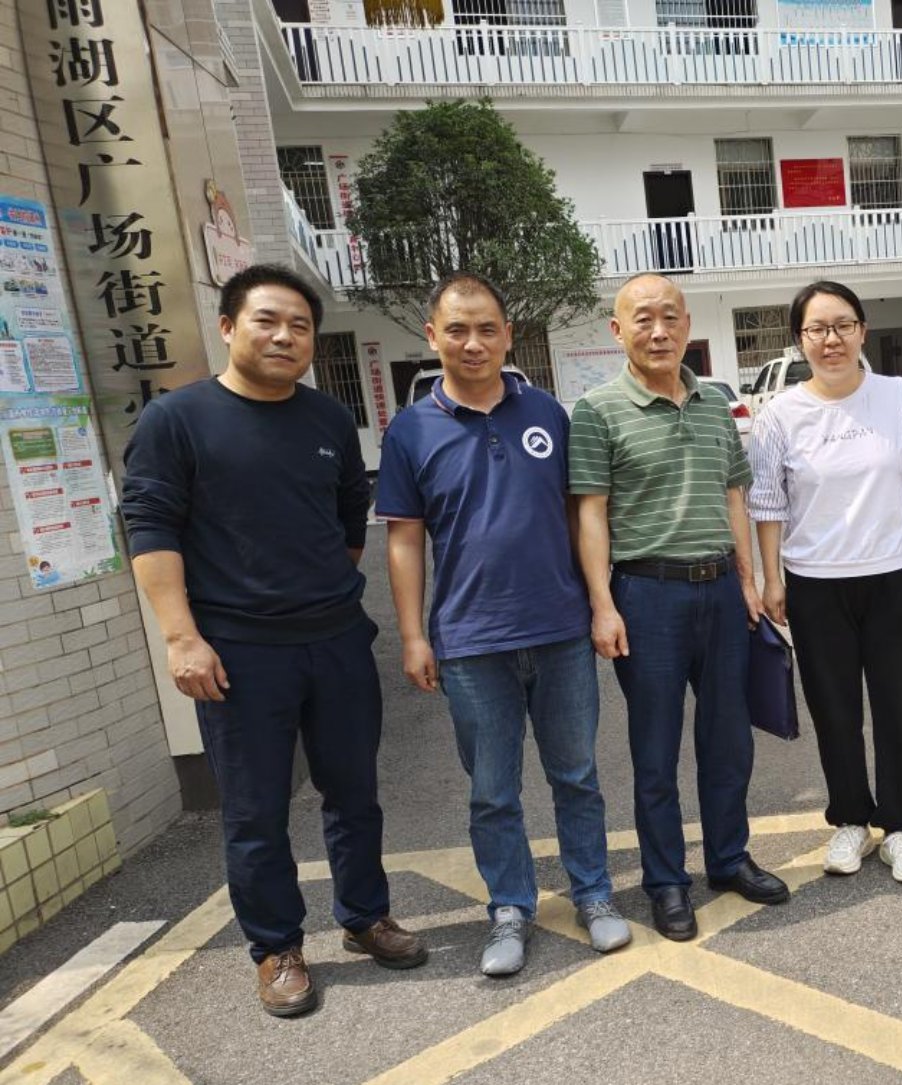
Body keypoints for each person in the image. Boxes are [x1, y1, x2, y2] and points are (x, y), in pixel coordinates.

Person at [121, 264, 424, 1018]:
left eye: (299, 325)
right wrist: (181, 637)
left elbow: (349, 520)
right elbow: (150, 528)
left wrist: (316, 591)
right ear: (228, 327)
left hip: (336, 640)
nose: (285, 335)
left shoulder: (328, 420)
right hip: (237, 652)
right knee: (255, 810)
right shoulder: (176, 420)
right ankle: (276, 947)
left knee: (354, 794)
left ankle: (365, 916)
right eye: (267, 320)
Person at [376, 272, 629, 977]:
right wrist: (413, 635)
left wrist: (600, 602)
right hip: (470, 642)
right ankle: (509, 909)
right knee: (492, 790)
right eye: (457, 329)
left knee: (576, 775)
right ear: (432, 336)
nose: (473, 342)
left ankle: (593, 893)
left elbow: (582, 514)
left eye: (487, 328)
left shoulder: (546, 412)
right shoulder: (410, 430)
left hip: (560, 630)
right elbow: (403, 539)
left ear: (508, 335)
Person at [569, 273, 790, 941]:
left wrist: (747, 579)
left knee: (728, 740)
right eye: (643, 319)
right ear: (618, 331)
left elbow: (733, 496)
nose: (658, 330)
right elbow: (590, 513)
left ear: (687, 325)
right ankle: (666, 879)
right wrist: (602, 604)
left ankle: (728, 858)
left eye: (670, 317)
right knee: (655, 748)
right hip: (646, 596)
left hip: (721, 591)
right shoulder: (597, 411)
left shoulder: (713, 406)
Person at [747, 281, 902, 883]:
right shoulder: (779, 415)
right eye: (817, 329)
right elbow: (767, 501)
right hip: (815, 582)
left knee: (901, 707)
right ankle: (851, 819)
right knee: (834, 710)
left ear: (862, 331)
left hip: (895, 574)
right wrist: (772, 578)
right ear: (799, 340)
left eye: (843, 325)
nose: (831, 340)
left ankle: (901, 826)